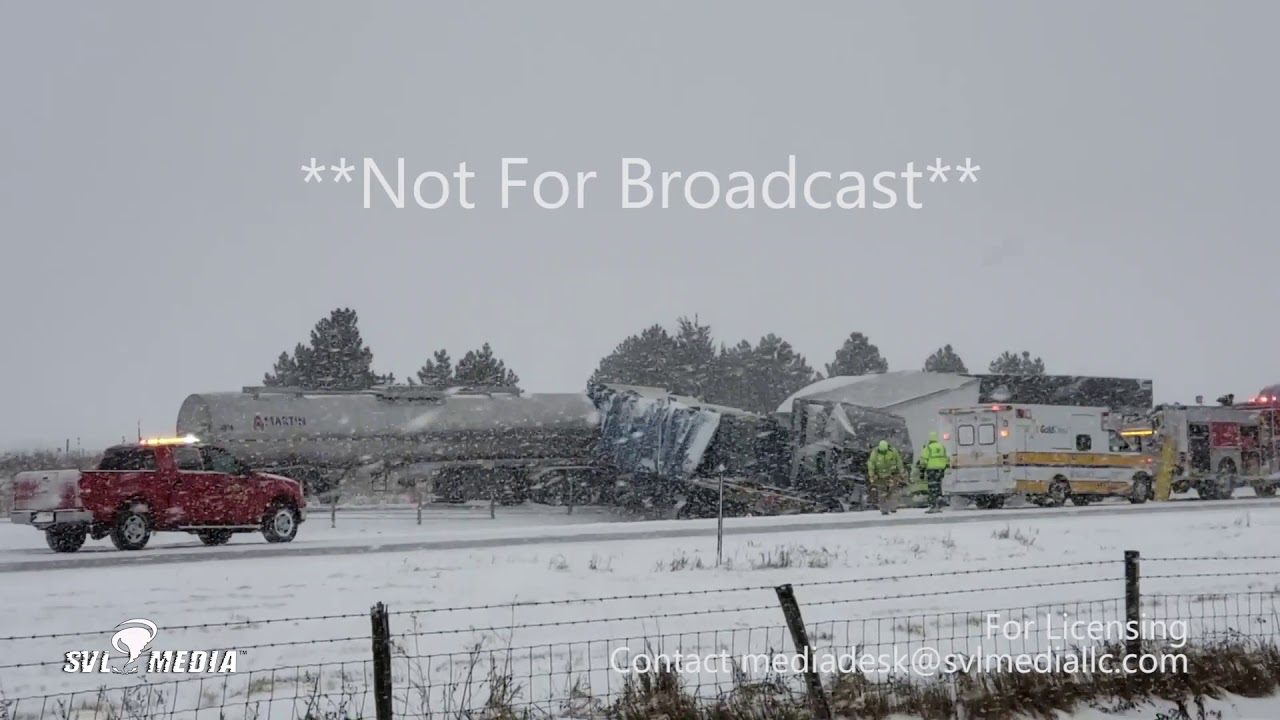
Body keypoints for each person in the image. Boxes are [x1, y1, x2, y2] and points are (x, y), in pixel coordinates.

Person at [867, 440, 905, 515]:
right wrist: (871, 474)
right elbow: (871, 463)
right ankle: (884, 509)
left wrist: (901, 471)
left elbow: (899, 461)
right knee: (882, 492)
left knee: (893, 491)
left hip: (892, 474)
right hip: (880, 475)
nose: (883, 452)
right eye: (882, 451)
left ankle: (893, 507)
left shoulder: (893, 452)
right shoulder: (875, 453)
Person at [917, 431, 951, 513]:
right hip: (940, 470)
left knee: (932, 489)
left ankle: (933, 506)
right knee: (938, 488)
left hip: (931, 470)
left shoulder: (928, 448)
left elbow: (924, 460)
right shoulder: (942, 447)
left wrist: (922, 471)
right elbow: (947, 458)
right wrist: (945, 467)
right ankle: (939, 505)